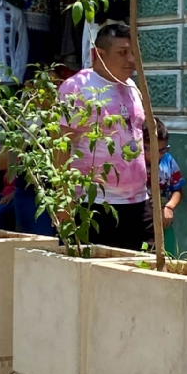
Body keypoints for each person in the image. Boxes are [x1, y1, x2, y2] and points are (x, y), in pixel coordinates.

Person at [57, 21, 150, 250]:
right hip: (94, 203)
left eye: (133, 53)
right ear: (98, 54)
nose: (131, 60)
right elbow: (60, 146)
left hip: (137, 201)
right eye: (122, 53)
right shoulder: (77, 87)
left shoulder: (133, 87)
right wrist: (63, 201)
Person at [155, 118, 185, 255]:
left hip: (164, 222)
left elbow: (177, 189)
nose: (157, 155)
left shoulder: (168, 160)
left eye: (162, 150)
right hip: (143, 219)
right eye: (152, 150)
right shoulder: (135, 163)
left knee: (168, 255)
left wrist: (169, 206)